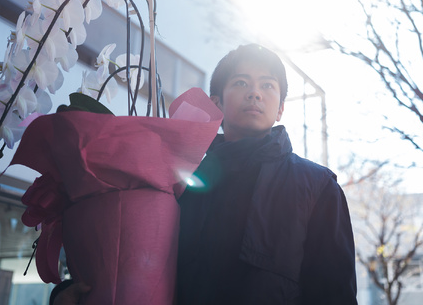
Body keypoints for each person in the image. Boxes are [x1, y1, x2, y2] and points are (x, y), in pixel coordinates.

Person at [52, 43, 357, 304]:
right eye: (241, 83)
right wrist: (67, 293)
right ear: (216, 104)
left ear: (280, 109)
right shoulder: (177, 182)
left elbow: (335, 294)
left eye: (267, 85)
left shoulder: (317, 187)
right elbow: (130, 261)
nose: (255, 93)